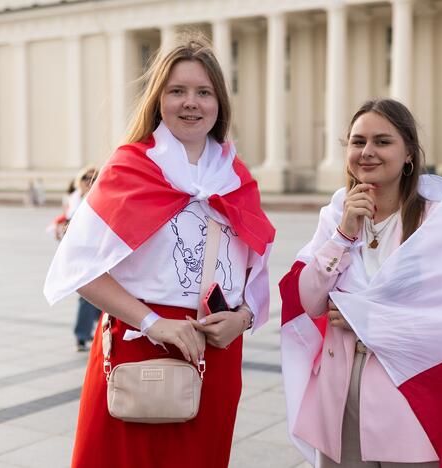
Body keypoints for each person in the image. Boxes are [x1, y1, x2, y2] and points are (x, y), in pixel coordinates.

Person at [43, 32, 275, 468]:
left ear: (219, 102)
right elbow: (81, 269)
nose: (192, 102)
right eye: (178, 91)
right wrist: (155, 323)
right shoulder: (130, 167)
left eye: (203, 92)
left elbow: (251, 274)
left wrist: (242, 320)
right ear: (159, 100)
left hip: (214, 352)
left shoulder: (236, 176)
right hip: (140, 345)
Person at [280, 99, 442, 468]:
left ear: (408, 153)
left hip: (411, 394)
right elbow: (308, 301)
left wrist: (364, 318)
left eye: (382, 141)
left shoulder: (437, 219)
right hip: (339, 392)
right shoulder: (337, 212)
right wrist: (343, 236)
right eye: (357, 141)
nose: (367, 152)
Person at [66, 166, 101, 351]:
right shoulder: (75, 200)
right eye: (87, 178)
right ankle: (82, 335)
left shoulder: (102, 197)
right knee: (87, 297)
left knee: (96, 298)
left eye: (94, 177)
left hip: (99, 255)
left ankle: (91, 333)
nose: (90, 180)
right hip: (82, 256)